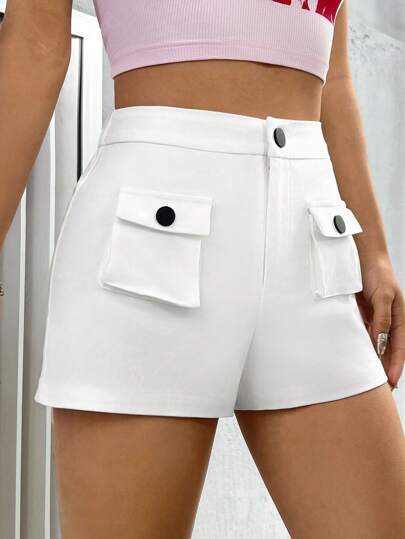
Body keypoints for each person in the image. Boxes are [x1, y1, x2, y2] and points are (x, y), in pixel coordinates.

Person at [1, 1, 405, 537]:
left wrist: (374, 251)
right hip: (150, 240)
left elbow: (333, 77)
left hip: (314, 242)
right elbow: (34, 46)